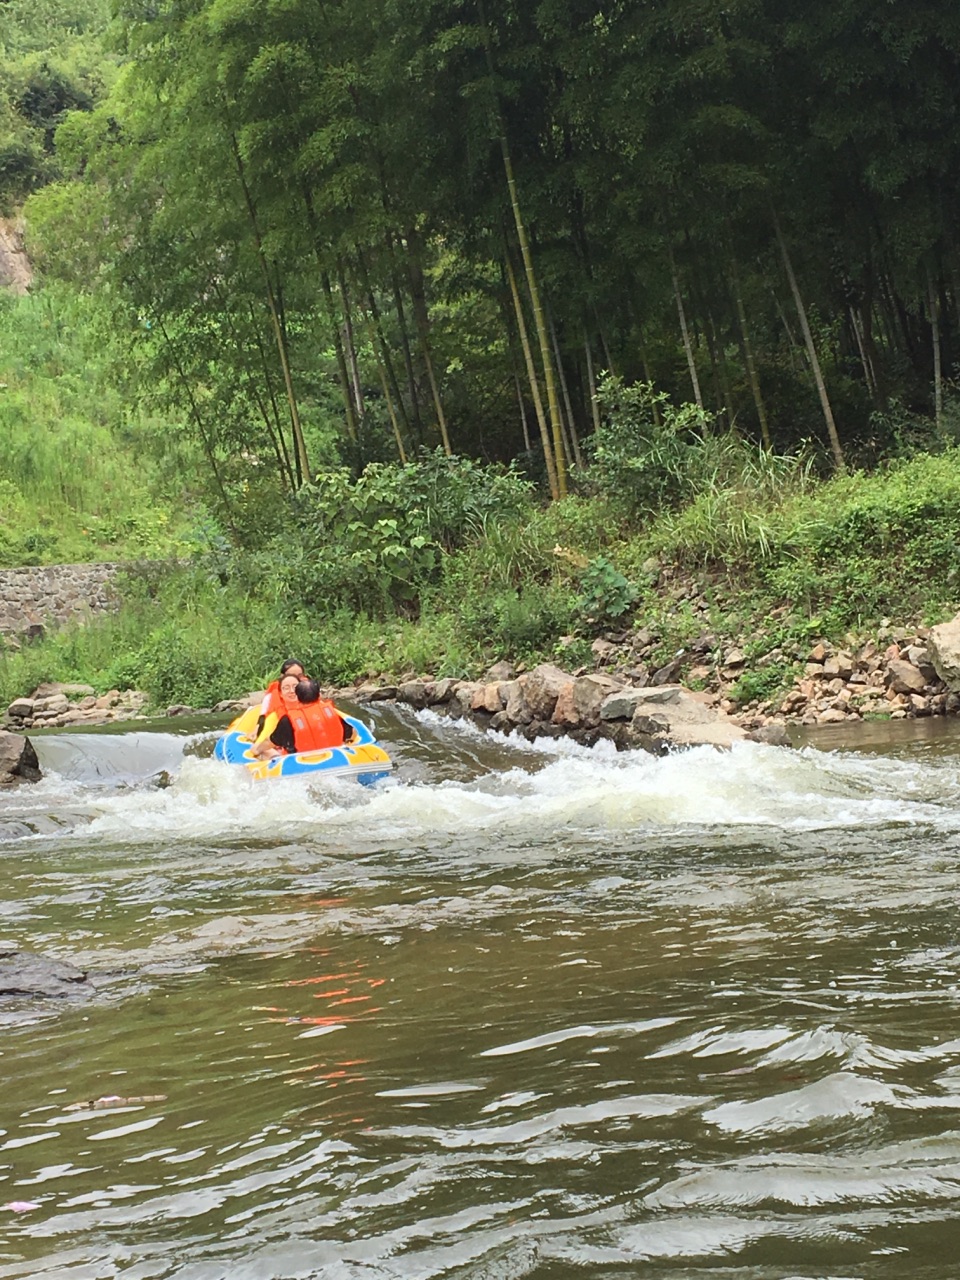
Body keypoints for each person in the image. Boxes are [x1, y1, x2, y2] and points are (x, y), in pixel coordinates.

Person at [252, 677, 354, 759]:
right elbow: (353, 734)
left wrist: (256, 750)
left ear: (298, 696)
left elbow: (270, 742)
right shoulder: (330, 712)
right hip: (334, 759)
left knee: (264, 752)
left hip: (301, 765)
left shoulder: (288, 720)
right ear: (318, 694)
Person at [255, 659, 307, 738]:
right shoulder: (270, 697)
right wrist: (256, 730)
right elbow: (263, 718)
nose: (296, 679)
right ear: (282, 676)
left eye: (299, 675)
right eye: (291, 675)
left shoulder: (310, 692)